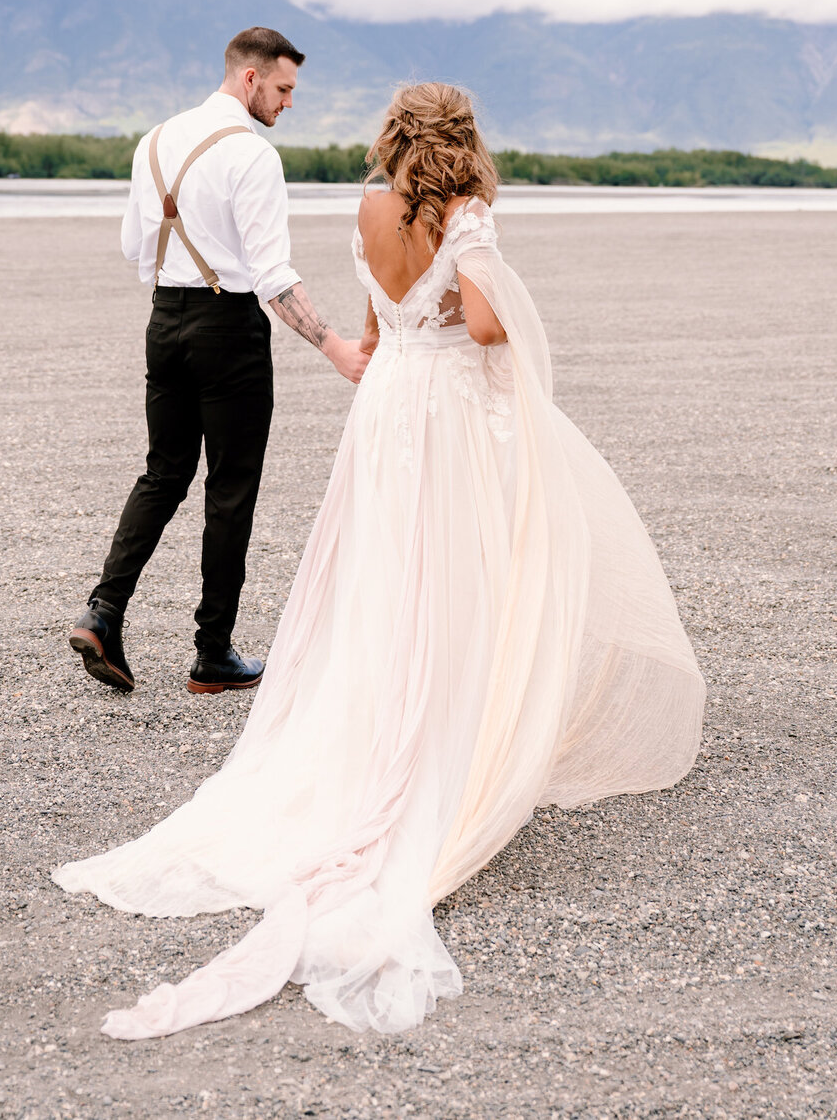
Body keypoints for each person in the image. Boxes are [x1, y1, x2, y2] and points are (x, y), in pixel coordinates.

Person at [54, 83, 705, 1037]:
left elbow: (377, 317)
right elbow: (482, 326)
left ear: (397, 135)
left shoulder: (368, 204)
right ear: (465, 140)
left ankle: (383, 713)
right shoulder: (462, 212)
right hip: (444, 407)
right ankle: (453, 728)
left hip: (389, 400)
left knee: (382, 575)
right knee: (460, 565)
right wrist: (509, 307)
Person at [69, 25, 369, 698]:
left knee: (163, 473)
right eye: (285, 89)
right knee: (230, 487)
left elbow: (130, 248)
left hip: (164, 318)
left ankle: (103, 611)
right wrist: (334, 345)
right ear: (251, 78)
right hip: (228, 328)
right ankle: (212, 654)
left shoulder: (154, 140)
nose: (289, 104)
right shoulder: (253, 155)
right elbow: (270, 276)